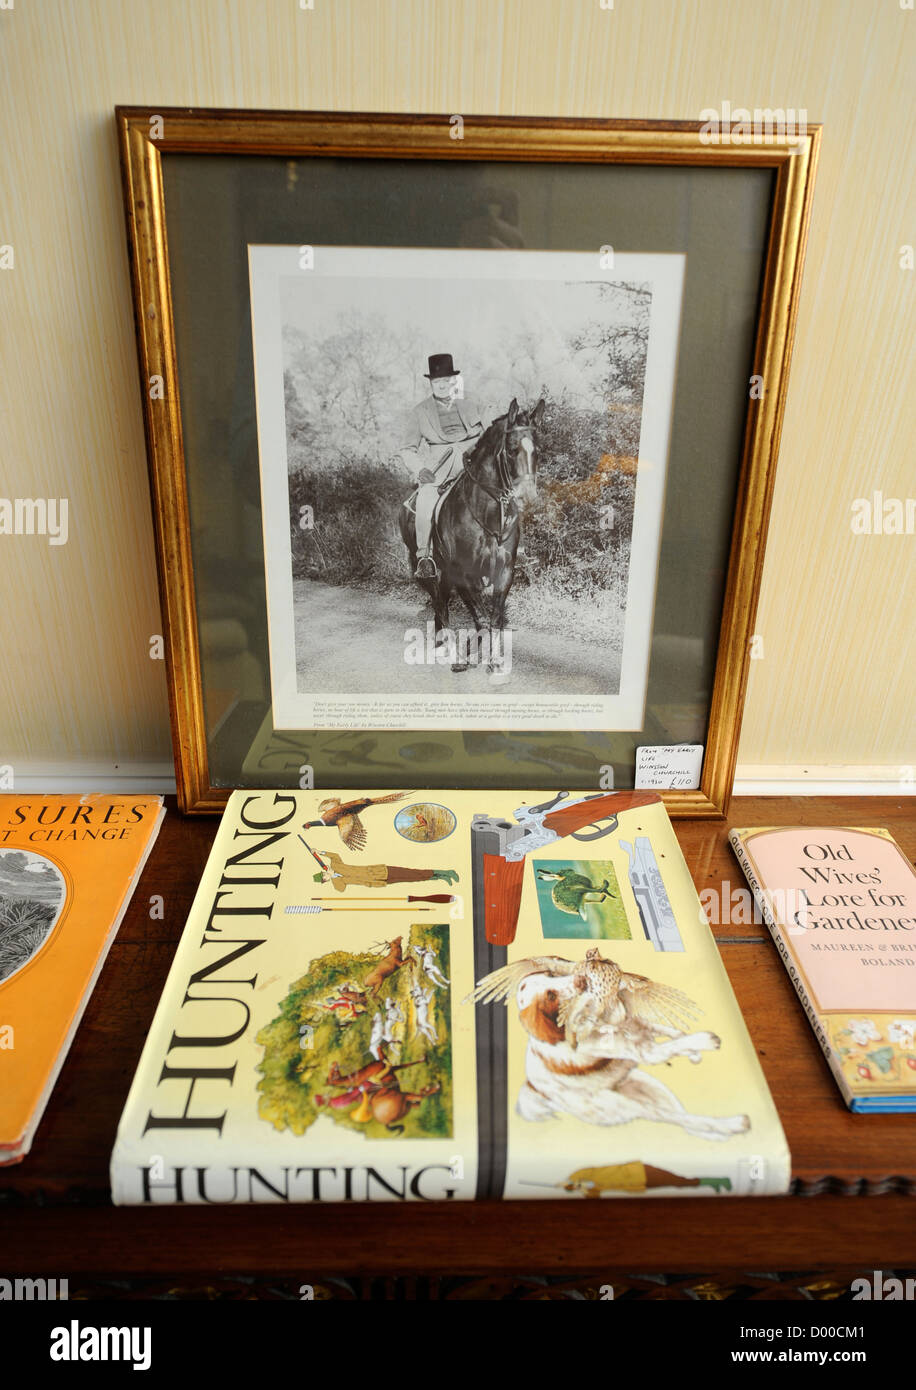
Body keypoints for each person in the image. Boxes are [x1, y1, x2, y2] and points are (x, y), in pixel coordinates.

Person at [392, 353, 486, 580]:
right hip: (439, 469)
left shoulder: (474, 402)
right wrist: (420, 469)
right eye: (437, 383)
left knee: (503, 492)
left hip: (475, 464)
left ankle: (516, 550)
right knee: (425, 500)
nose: (442, 386)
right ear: (431, 383)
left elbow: (492, 433)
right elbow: (406, 448)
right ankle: (425, 557)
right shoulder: (420, 412)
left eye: (446, 381)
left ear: (454, 381)